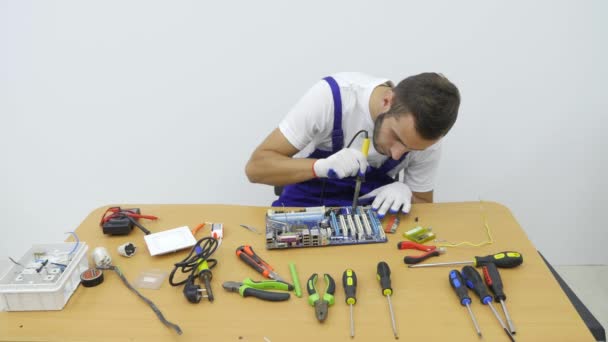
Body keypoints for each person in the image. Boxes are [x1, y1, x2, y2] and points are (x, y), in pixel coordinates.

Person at [245, 72, 460, 218]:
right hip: (306, 206)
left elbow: (423, 205)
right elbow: (255, 169)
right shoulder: (333, 98)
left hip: (369, 218)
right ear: (387, 101)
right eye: (397, 138)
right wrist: (318, 167)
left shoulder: (428, 139)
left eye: (411, 150)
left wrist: (406, 193)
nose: (396, 155)